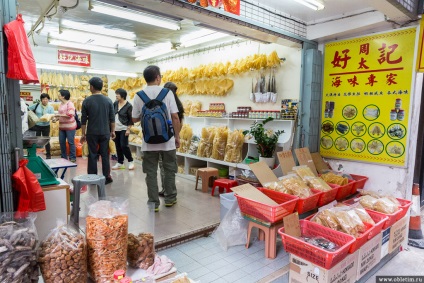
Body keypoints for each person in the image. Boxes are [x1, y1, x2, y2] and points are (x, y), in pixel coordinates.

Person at [132, 65, 181, 212]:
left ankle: (153, 203)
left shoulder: (139, 95)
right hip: (168, 141)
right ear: (158, 77)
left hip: (148, 142)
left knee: (151, 172)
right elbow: (175, 117)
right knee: (169, 169)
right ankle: (170, 199)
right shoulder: (167, 93)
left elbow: (134, 119)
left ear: (145, 79)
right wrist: (177, 137)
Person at [80, 77, 115, 185]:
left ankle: (92, 177)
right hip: (105, 131)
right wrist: (112, 131)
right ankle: (106, 177)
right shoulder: (108, 100)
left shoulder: (87, 101)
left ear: (92, 87)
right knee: (105, 154)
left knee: (92, 154)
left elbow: (83, 119)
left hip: (92, 132)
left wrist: (83, 134)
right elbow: (112, 118)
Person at [158, 82, 184, 197]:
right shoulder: (178, 105)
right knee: (170, 166)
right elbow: (179, 121)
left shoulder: (159, 102)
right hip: (172, 139)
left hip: (159, 139)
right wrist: (176, 136)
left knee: (162, 165)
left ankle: (165, 189)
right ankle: (170, 190)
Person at [112, 88, 135, 170]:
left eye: (117, 94)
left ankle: (130, 161)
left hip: (124, 128)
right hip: (116, 128)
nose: (116, 95)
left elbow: (130, 119)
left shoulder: (128, 106)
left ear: (123, 95)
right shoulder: (115, 103)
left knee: (124, 145)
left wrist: (128, 129)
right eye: (116, 94)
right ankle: (120, 162)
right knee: (117, 145)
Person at [29, 93, 55, 159]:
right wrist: (32, 116)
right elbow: (28, 109)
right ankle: (33, 154)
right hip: (37, 125)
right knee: (35, 140)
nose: (45, 100)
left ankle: (48, 155)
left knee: (46, 140)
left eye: (46, 99)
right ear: (41, 99)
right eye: (43, 99)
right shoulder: (37, 105)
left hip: (46, 126)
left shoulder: (50, 107)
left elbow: (52, 116)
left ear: (48, 100)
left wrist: (54, 119)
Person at [54, 89, 77, 162]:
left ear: (63, 96)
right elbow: (60, 115)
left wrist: (59, 115)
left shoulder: (70, 104)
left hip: (70, 127)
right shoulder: (61, 104)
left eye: (59, 94)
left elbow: (70, 114)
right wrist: (56, 119)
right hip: (62, 127)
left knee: (70, 142)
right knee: (61, 142)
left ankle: (72, 157)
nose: (58, 95)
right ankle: (63, 157)